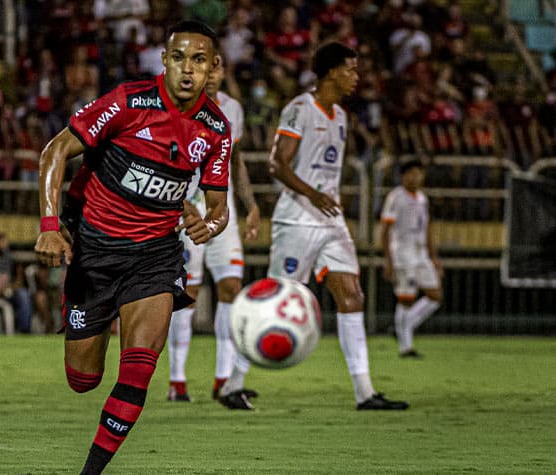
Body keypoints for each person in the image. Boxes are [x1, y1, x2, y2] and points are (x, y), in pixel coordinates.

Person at [34, 20, 232, 474]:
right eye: (178, 57)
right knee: (83, 380)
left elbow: (219, 204)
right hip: (95, 252)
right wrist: (49, 224)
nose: (187, 68)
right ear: (164, 60)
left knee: (140, 368)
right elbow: (55, 151)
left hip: (155, 257)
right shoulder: (127, 102)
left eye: (198, 60)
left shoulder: (216, 129)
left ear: (213, 67)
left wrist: (212, 223)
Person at [219, 42, 409, 411]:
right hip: (297, 220)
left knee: (352, 296)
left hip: (330, 221)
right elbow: (277, 165)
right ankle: (232, 385)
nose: (356, 77)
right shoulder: (299, 109)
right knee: (275, 302)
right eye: (351, 70)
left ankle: (365, 392)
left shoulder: (340, 115)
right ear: (331, 72)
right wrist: (313, 194)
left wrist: (330, 199)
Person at [166, 59, 261, 402]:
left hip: (225, 212)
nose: (212, 75)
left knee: (231, 288)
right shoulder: (181, 106)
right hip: (188, 209)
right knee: (187, 295)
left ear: (222, 73)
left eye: (218, 68)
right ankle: (177, 381)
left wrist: (249, 205)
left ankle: (223, 379)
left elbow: (235, 160)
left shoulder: (232, 108)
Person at [381, 159, 442, 358]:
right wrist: (388, 260)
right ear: (403, 176)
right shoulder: (395, 197)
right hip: (402, 254)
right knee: (406, 300)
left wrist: (434, 257)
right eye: (411, 173)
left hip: (421, 254)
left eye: (418, 173)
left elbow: (427, 228)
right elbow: (385, 230)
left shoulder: (422, 199)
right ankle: (405, 347)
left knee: (435, 295)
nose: (415, 177)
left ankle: (401, 329)